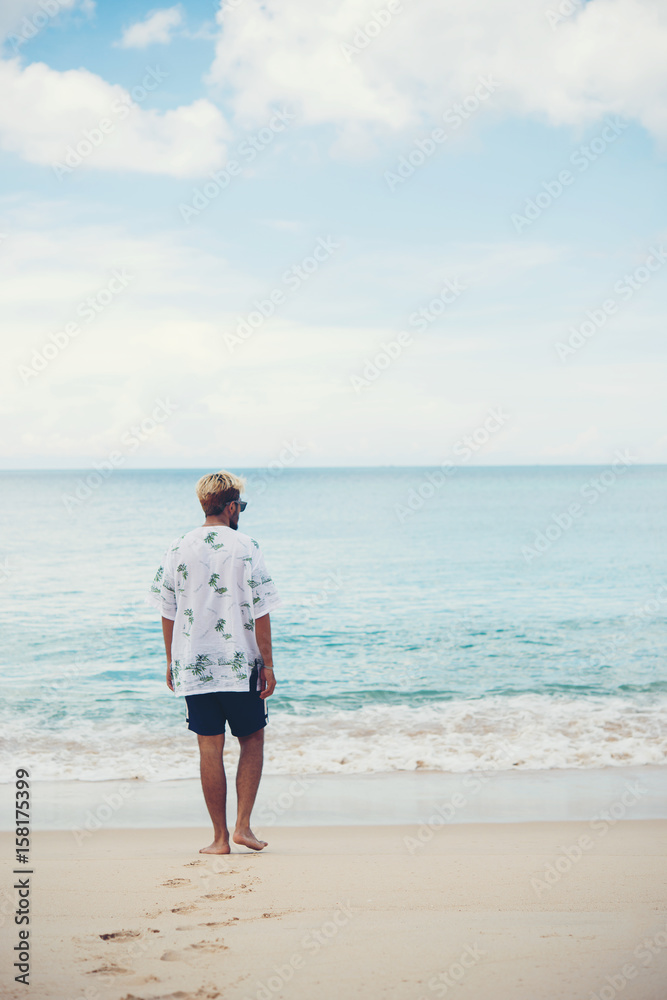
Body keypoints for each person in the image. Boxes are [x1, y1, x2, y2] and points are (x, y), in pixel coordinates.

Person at [149, 470, 281, 854]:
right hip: (241, 667)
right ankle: (243, 828)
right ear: (231, 507)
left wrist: (171, 660)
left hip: (193, 665)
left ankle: (220, 839)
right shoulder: (247, 546)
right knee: (252, 741)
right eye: (241, 505)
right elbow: (262, 609)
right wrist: (268, 665)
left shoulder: (177, 547)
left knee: (209, 748)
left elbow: (167, 610)